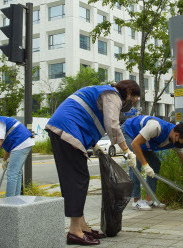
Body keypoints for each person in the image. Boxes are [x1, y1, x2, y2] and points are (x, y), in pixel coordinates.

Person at [46, 80, 140, 246]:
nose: (130, 104)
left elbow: (87, 116)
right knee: (77, 180)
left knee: (78, 179)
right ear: (129, 93)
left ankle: (82, 226)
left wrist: (96, 147)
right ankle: (74, 231)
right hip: (67, 129)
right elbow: (112, 125)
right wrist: (126, 150)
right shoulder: (113, 95)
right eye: (133, 100)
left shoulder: (102, 91)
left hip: (65, 128)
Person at [123, 116, 183, 211]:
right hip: (130, 132)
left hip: (143, 141)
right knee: (136, 162)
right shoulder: (156, 127)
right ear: (176, 135)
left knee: (155, 163)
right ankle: (136, 201)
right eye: (182, 142)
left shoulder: (176, 142)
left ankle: (149, 199)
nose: (181, 144)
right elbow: (135, 144)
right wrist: (145, 165)